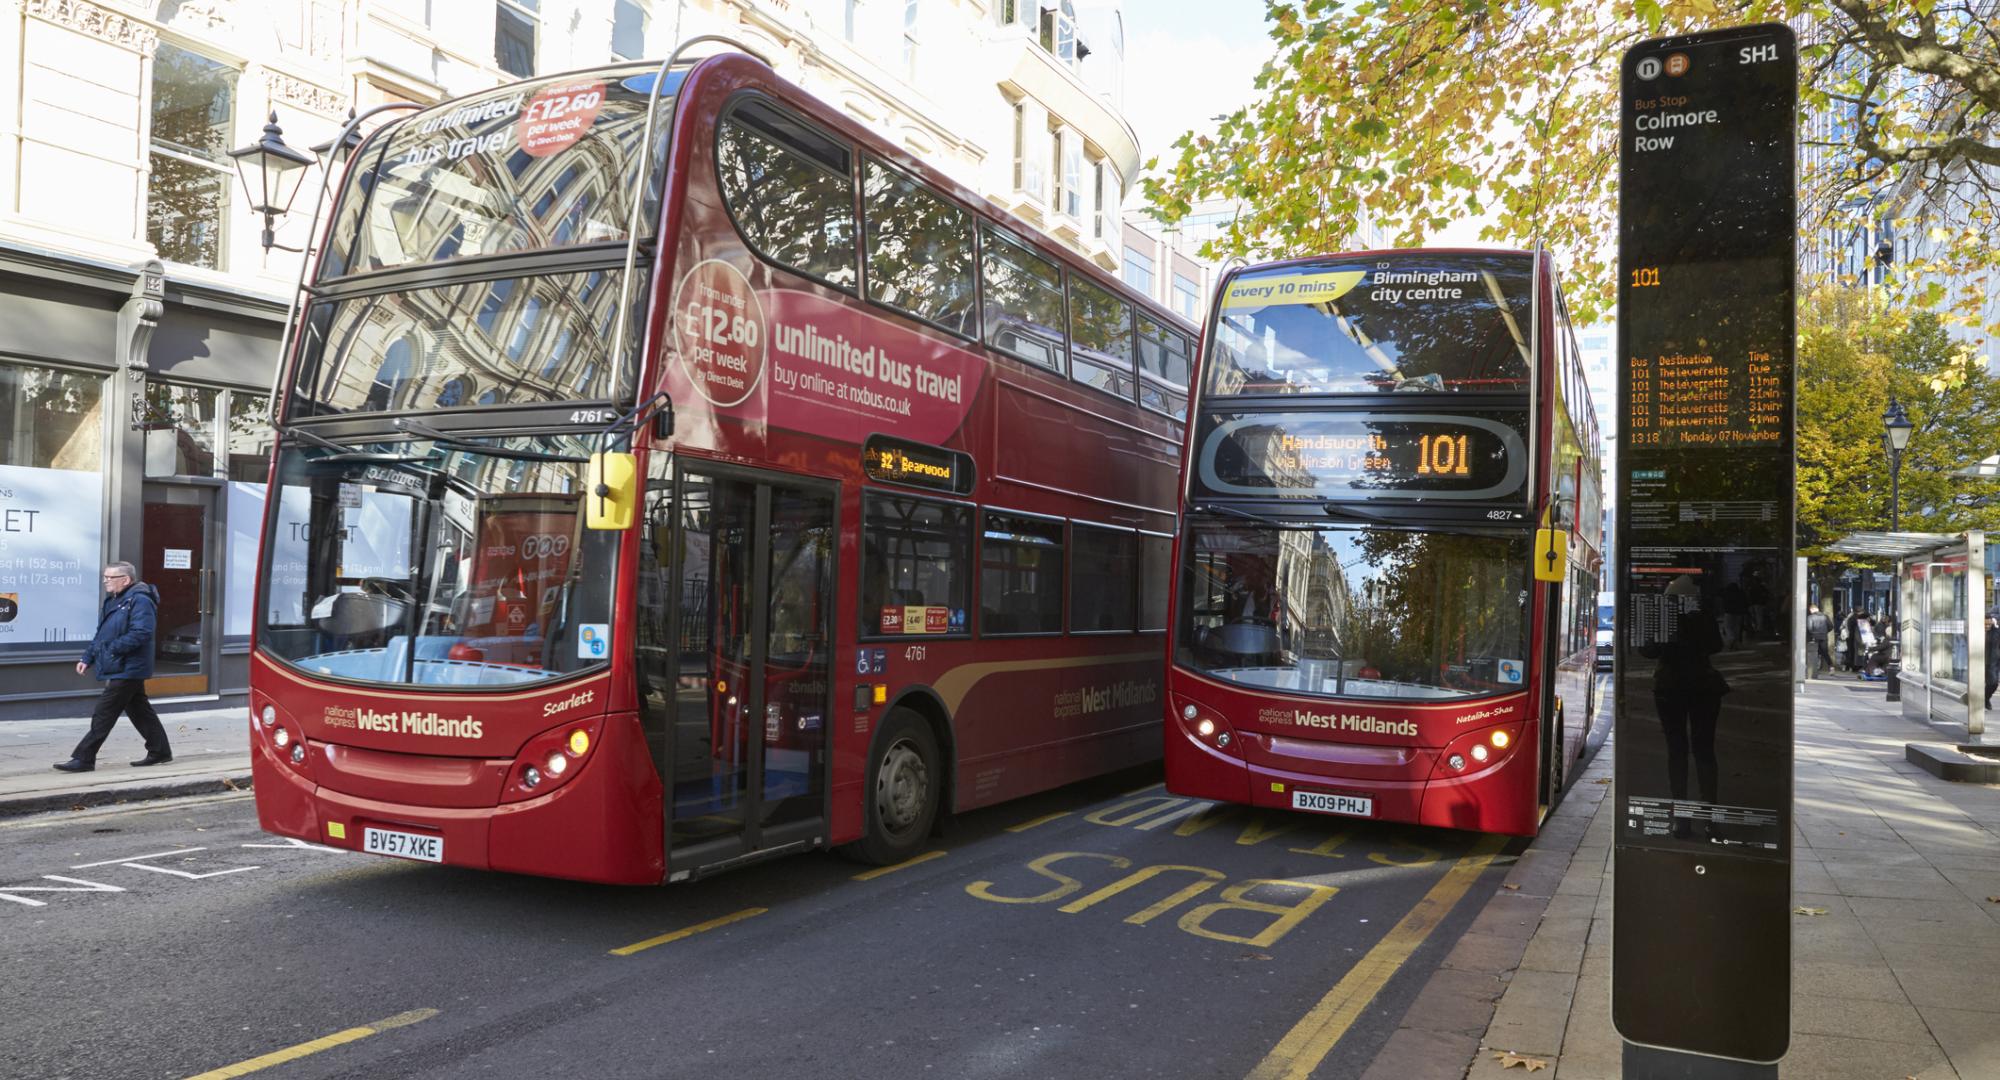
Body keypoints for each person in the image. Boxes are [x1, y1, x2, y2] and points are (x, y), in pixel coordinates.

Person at [53, 562, 173, 772]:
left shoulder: (140, 600)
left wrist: (111, 649)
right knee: (139, 710)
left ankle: (84, 758)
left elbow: (142, 633)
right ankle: (160, 751)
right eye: (105, 577)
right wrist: (87, 657)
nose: (105, 581)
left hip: (130, 665)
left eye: (110, 577)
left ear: (125, 580)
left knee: (104, 711)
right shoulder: (114, 601)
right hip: (121, 663)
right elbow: (102, 634)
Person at [1807, 605, 1832, 678]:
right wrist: (1825, 632)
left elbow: (1809, 628)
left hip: (1814, 637)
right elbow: (1831, 626)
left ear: (1811, 610)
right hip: (1824, 636)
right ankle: (1831, 667)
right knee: (1825, 652)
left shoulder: (1810, 617)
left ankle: (1814, 669)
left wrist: (1812, 634)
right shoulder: (1825, 616)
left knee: (1814, 653)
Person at [1985, 610, 2000, 711]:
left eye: (1988, 624)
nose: (1987, 626)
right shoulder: (1975, 631)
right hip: (1979, 660)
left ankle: (1985, 698)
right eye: (1985, 624)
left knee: (1994, 683)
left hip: (1993, 662)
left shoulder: (1996, 630)